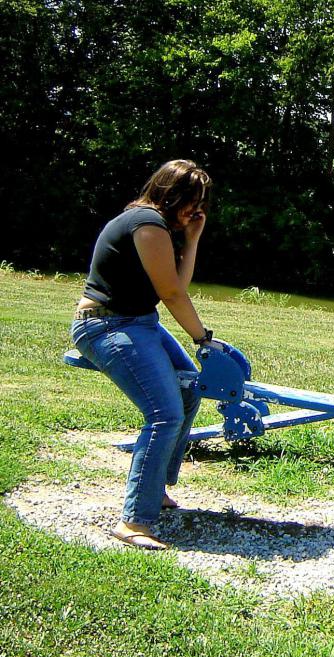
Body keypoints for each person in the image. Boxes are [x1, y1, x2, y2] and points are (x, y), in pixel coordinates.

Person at [70, 159, 217, 551]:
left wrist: (193, 237)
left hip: (139, 322)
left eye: (201, 203)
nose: (195, 209)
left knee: (188, 391)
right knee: (164, 414)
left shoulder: (162, 228)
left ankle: (155, 491)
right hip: (105, 324)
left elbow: (176, 285)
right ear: (171, 194)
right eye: (191, 201)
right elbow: (172, 297)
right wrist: (203, 339)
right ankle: (134, 521)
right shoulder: (147, 224)